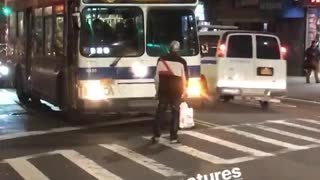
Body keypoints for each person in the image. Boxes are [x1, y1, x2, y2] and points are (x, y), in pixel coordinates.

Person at [152, 41, 189, 144]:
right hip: (176, 91)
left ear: (169, 48)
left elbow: (156, 78)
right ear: (178, 49)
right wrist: (185, 91)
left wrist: (157, 91)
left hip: (163, 90)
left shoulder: (161, 60)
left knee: (160, 112)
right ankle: (173, 137)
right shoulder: (182, 62)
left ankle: (156, 135)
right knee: (175, 112)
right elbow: (184, 79)